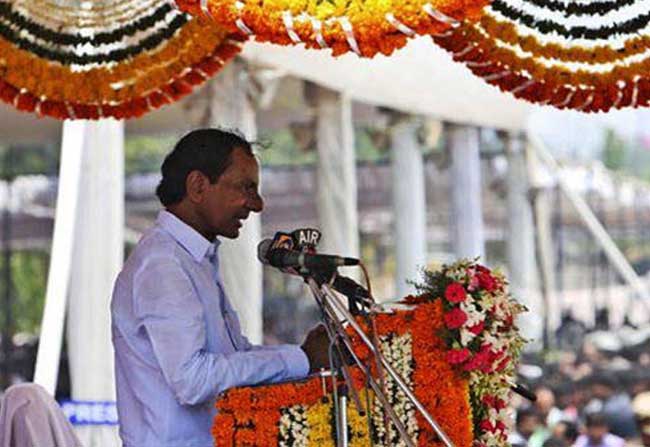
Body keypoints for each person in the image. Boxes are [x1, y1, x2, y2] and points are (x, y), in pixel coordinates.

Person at [111, 129, 330, 447]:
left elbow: (233, 357)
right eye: (246, 188)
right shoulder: (163, 264)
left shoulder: (194, 258)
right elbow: (193, 380)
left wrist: (305, 359)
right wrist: (301, 359)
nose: (257, 204)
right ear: (198, 186)